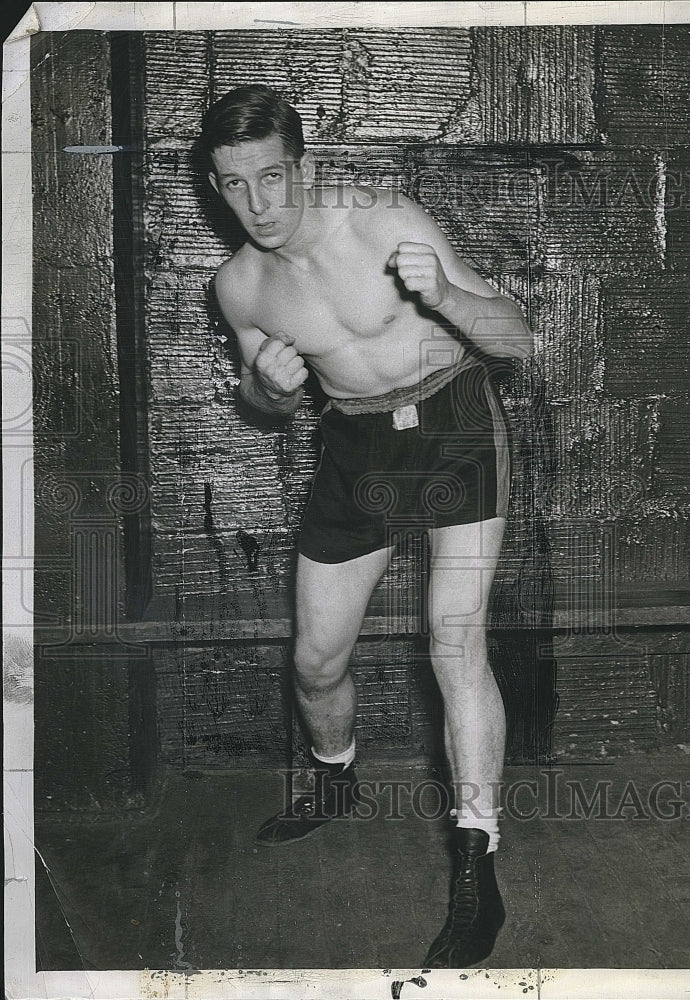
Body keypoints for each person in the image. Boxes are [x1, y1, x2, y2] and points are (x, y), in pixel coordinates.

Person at [198, 84, 533, 969]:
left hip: (453, 421)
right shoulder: (238, 286)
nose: (259, 205)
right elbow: (267, 407)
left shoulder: (385, 222)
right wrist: (267, 388)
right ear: (216, 184)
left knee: (453, 642)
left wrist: (448, 301)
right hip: (357, 446)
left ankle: (476, 860)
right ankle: (336, 773)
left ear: (303, 165)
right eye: (236, 185)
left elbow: (519, 340)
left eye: (273, 177)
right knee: (316, 659)